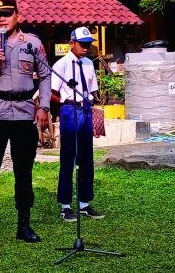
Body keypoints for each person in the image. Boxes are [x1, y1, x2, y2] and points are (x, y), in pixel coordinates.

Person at [0, 0, 51, 248]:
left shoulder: (33, 43)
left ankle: (23, 225)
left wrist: (45, 107)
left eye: (7, 14)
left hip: (25, 112)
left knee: (24, 170)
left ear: (17, 15)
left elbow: (46, 75)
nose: (2, 19)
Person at [51, 27, 105, 222]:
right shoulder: (61, 64)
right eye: (82, 44)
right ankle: (65, 205)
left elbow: (92, 89)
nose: (86, 48)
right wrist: (67, 103)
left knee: (86, 157)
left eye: (88, 44)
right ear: (71, 42)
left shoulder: (89, 63)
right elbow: (53, 92)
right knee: (68, 157)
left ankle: (84, 203)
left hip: (86, 109)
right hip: (70, 109)